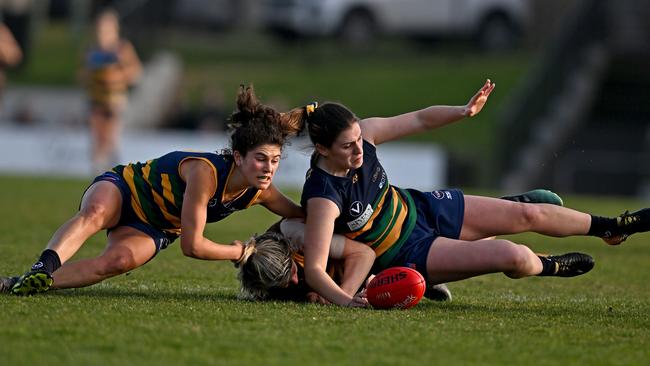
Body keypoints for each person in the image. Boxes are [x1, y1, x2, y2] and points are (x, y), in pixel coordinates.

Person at [249, 79, 650, 307]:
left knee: (531, 217)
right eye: (348, 147)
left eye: (358, 141)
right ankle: (548, 265)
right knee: (513, 256)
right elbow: (317, 269)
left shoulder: (364, 136)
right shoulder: (321, 196)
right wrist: (347, 301)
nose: (359, 150)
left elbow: (421, 118)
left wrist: (462, 111)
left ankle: (613, 227)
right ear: (322, 150)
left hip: (423, 209)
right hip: (407, 252)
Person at [1, 85, 304, 296]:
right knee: (95, 213)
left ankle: (28, 283)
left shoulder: (261, 192)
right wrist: (240, 252)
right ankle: (45, 266)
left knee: (117, 263)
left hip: (154, 226)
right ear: (238, 157)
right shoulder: (206, 174)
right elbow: (192, 245)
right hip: (127, 189)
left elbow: (305, 215)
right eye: (261, 159)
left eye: (275, 160)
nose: (269, 168)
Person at [237, 190, 565, 304]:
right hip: (370, 262)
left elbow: (361, 253)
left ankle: (508, 211)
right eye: (284, 283)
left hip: (379, 245)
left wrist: (342, 295)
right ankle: (505, 217)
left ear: (288, 250)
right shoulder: (267, 276)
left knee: (445, 257)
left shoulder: (294, 232)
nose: (293, 281)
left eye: (293, 273)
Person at [83, 8, 141, 172]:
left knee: (110, 137)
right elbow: (82, 74)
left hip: (115, 99)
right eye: (100, 29)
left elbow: (136, 72)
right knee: (97, 138)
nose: (102, 34)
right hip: (96, 98)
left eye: (106, 29)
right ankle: (97, 173)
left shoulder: (122, 48)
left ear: (114, 29)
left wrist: (118, 76)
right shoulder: (92, 50)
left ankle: (115, 171)